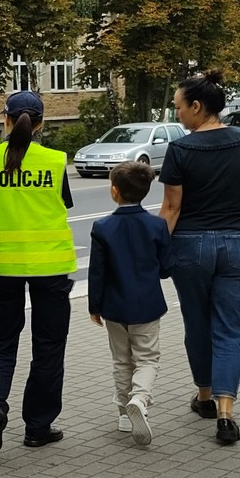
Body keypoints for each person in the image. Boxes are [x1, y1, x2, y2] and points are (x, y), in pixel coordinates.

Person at [158, 69, 240, 445]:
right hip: (239, 243)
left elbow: (171, 208)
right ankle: (225, 412)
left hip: (190, 247)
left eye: (178, 108)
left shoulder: (181, 149)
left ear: (197, 107)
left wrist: (155, 252)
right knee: (231, 329)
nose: (177, 115)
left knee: (198, 324)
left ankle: (203, 395)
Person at [0, 89, 77, 455]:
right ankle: (38, 426)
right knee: (48, 348)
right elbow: (61, 204)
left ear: (4, 120)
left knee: (1, 345)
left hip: (2, 269)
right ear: (41, 124)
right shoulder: (55, 161)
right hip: (50, 267)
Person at [88, 161, 173, 447]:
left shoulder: (102, 227)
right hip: (147, 306)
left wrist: (94, 306)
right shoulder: (157, 225)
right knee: (147, 358)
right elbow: (165, 268)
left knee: (121, 360)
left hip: (114, 307)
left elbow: (97, 271)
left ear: (114, 191)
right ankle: (140, 397)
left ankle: (124, 414)